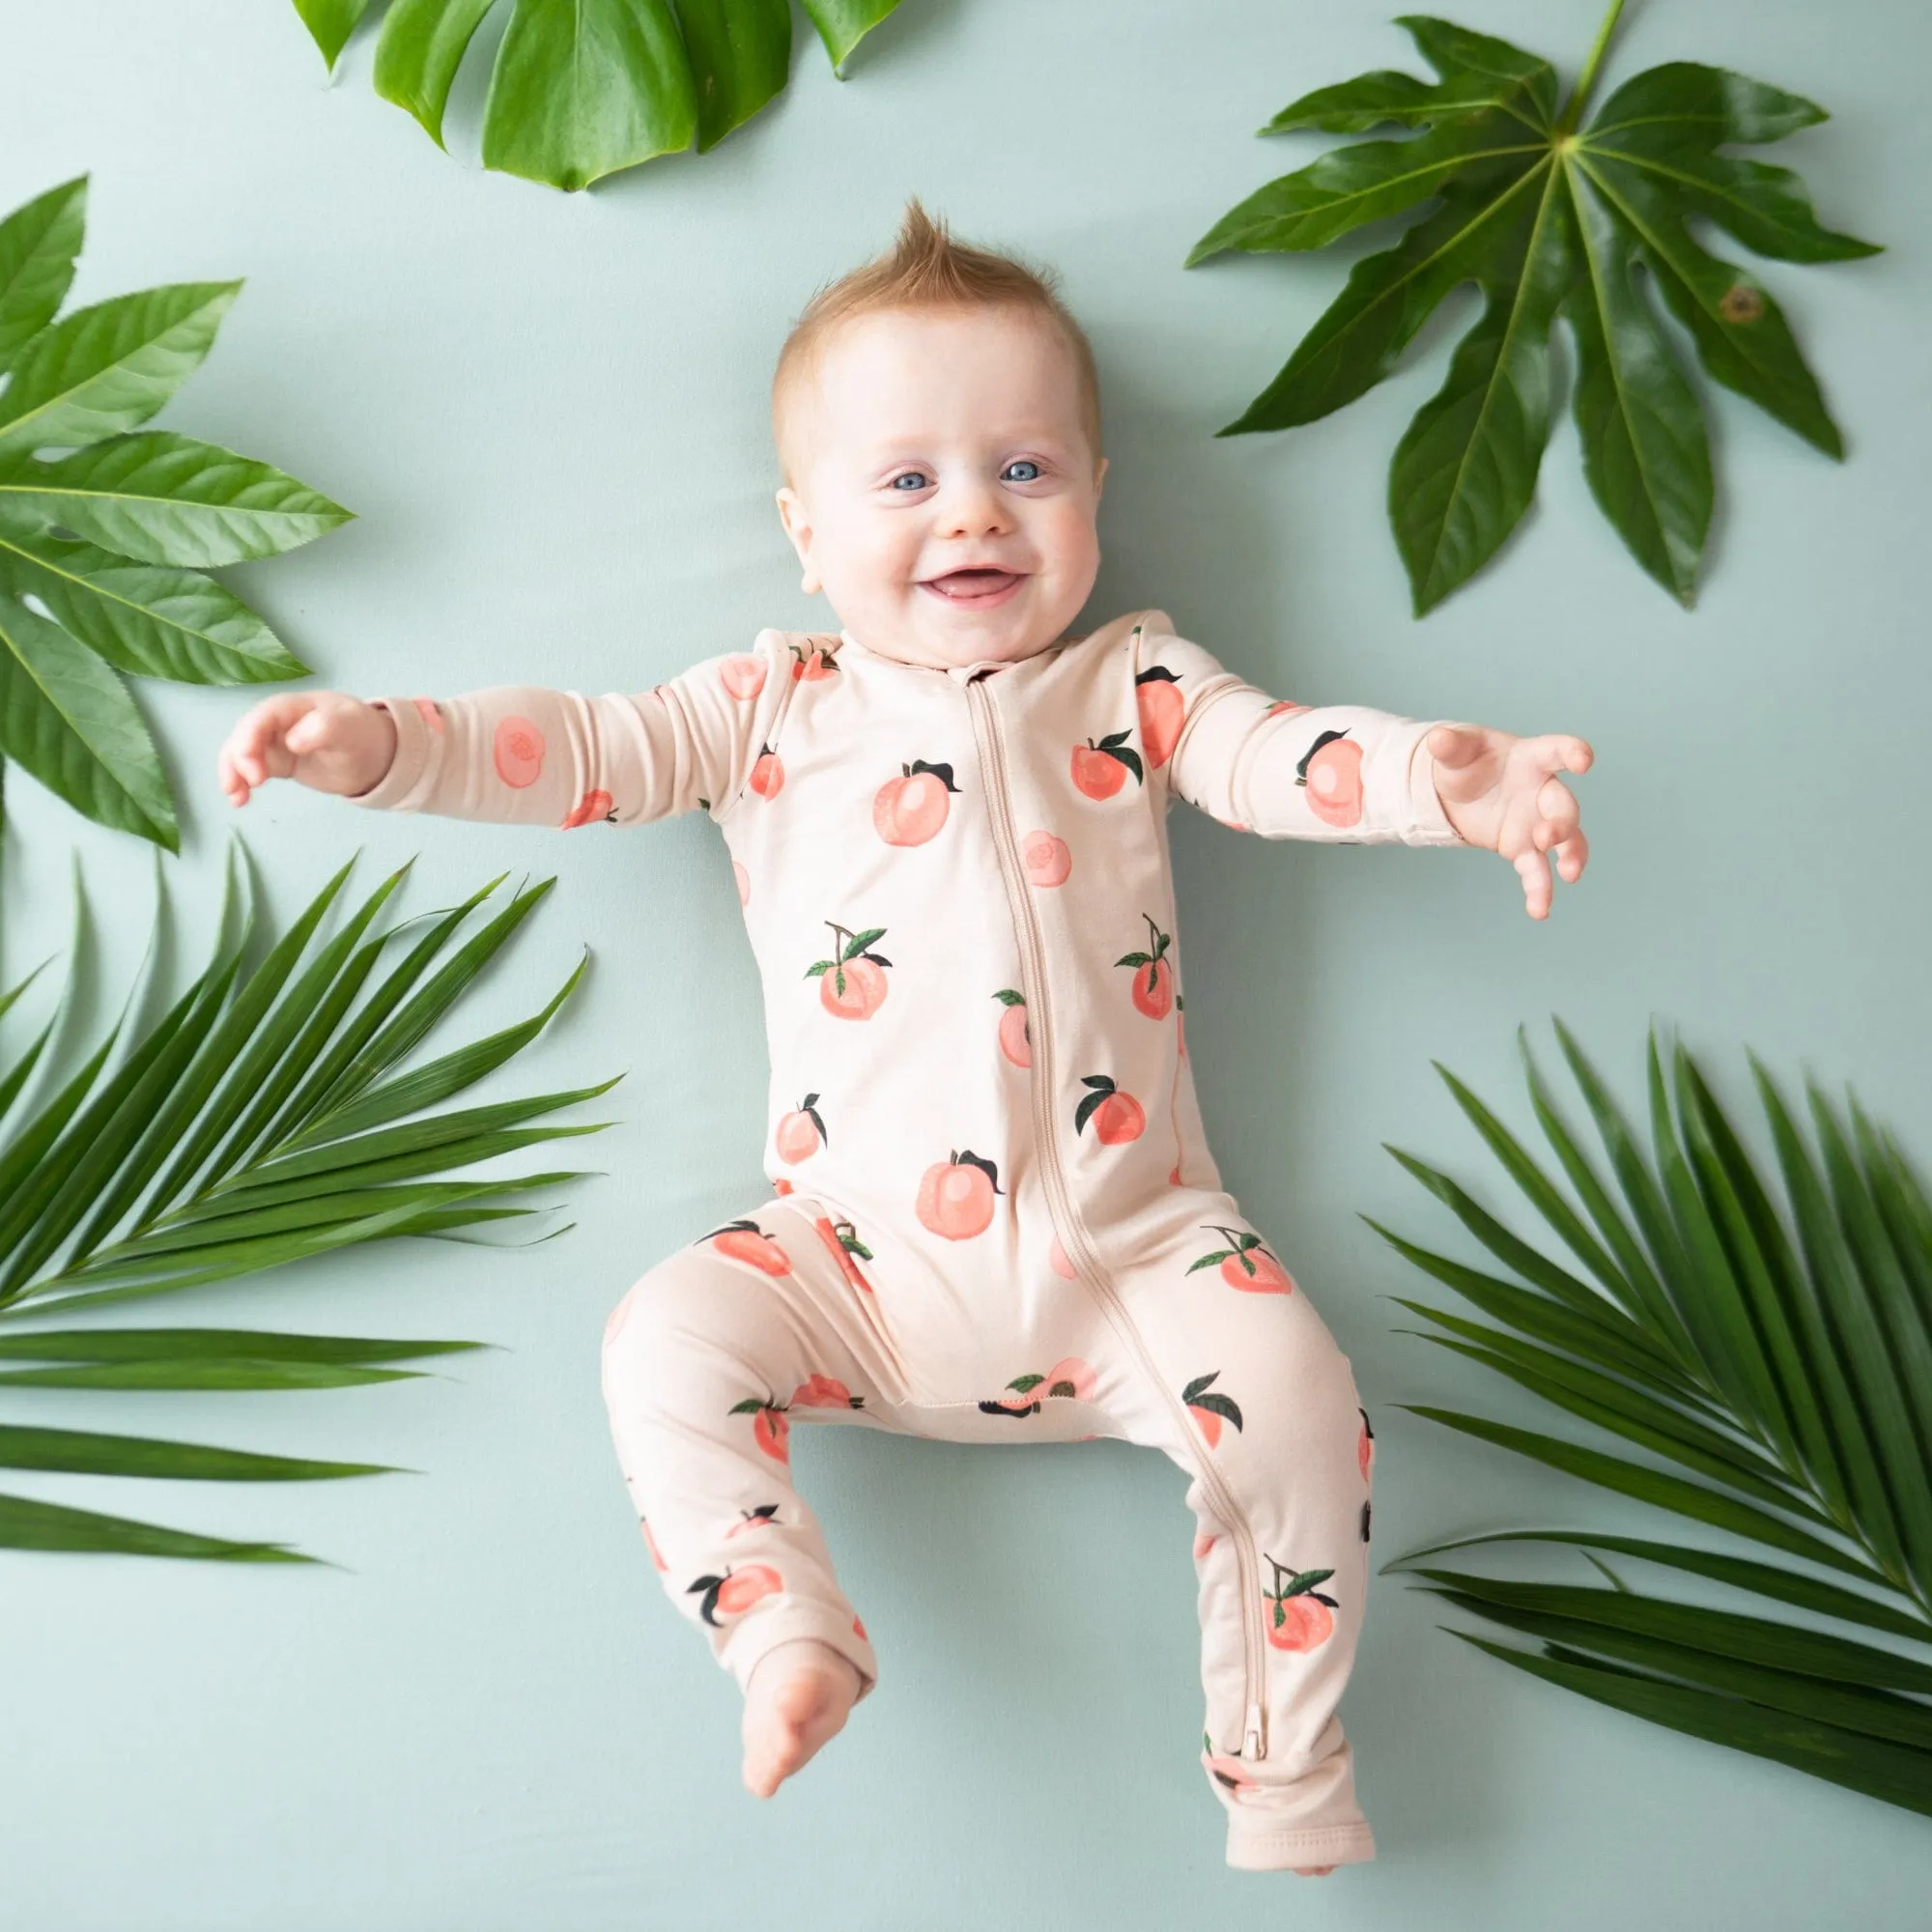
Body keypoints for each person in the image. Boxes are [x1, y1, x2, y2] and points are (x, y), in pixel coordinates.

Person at [216, 201, 1591, 1875]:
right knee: (661, 1342)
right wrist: (381, 745)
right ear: (805, 533)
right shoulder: (769, 705)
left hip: (1144, 1251)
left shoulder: (1135, 683)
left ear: (1095, 497)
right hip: (849, 1263)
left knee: (1307, 1414)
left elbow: (1277, 758)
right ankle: (785, 1624)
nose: (974, 514)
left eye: (1028, 469)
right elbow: (575, 747)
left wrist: (1444, 781)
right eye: (907, 479)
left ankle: (1286, 1774)